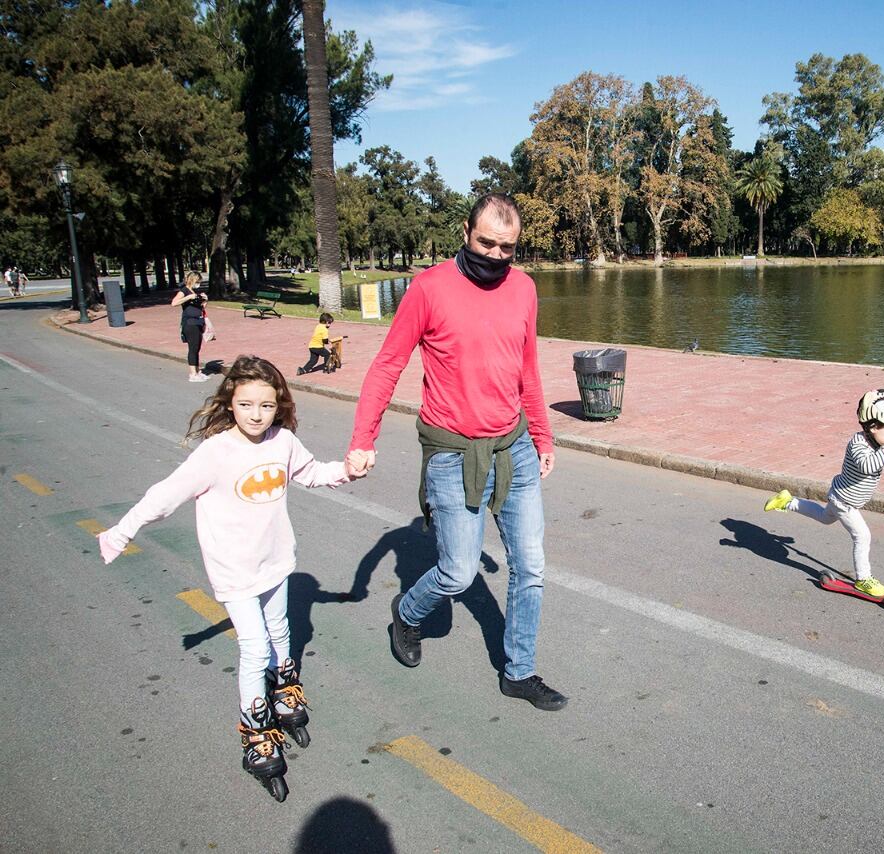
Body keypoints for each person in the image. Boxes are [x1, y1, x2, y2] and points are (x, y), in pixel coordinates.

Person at [97, 355, 365, 799]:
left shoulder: (282, 441)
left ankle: (285, 690)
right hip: (235, 569)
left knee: (281, 629)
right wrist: (123, 529)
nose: (256, 414)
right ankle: (256, 730)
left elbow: (312, 473)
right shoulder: (216, 452)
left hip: (276, 559)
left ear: (278, 405)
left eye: (266, 405)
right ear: (230, 403)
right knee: (255, 648)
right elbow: (166, 495)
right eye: (246, 405)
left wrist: (346, 471)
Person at [346, 193, 567, 711]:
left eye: (506, 247)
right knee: (460, 572)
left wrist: (543, 434)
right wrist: (363, 438)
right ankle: (407, 613)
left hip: (514, 449)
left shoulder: (525, 289)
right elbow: (387, 366)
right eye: (485, 242)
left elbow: (526, 370)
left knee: (531, 565)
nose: (494, 254)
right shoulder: (429, 288)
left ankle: (519, 671)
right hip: (451, 452)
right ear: (466, 232)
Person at [763, 388, 884, 597]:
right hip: (844, 500)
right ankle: (863, 579)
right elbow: (867, 465)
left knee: (824, 517)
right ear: (873, 427)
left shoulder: (882, 445)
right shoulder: (858, 444)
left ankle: (788, 501)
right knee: (862, 536)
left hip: (846, 499)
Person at [173, 272, 209, 382]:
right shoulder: (184, 291)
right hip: (190, 323)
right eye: (197, 281)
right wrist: (188, 297)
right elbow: (174, 303)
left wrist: (205, 300)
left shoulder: (194, 291)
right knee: (193, 348)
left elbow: (201, 308)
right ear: (192, 280)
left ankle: (197, 371)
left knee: (197, 348)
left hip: (198, 322)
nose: (199, 284)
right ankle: (193, 374)